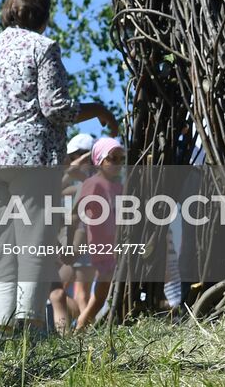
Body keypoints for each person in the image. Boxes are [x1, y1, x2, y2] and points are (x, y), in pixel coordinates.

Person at [0, 0, 116, 339]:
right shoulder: (42, 47)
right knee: (34, 241)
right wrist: (97, 108)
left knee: (2, 245)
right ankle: (31, 327)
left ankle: (0, 330)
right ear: (44, 15)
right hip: (30, 156)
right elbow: (55, 108)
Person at [74, 137, 126, 331]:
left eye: (122, 159)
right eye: (112, 158)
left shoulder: (118, 187)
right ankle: (83, 322)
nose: (118, 164)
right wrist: (75, 243)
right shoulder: (93, 183)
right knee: (102, 285)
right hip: (98, 243)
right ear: (99, 159)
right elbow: (81, 214)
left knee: (105, 287)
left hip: (113, 244)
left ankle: (85, 322)